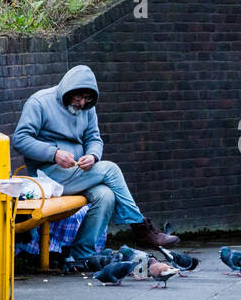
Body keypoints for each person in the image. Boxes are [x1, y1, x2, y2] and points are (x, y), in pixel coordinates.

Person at [12, 64, 178, 259]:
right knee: (110, 169)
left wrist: (92, 156)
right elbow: (20, 139)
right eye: (78, 97)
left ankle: (83, 254)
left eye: (87, 99)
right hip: (47, 175)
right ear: (68, 90)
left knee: (106, 196)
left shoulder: (88, 109)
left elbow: (94, 138)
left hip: (77, 173)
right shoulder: (39, 102)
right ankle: (141, 228)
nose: (82, 103)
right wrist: (54, 153)